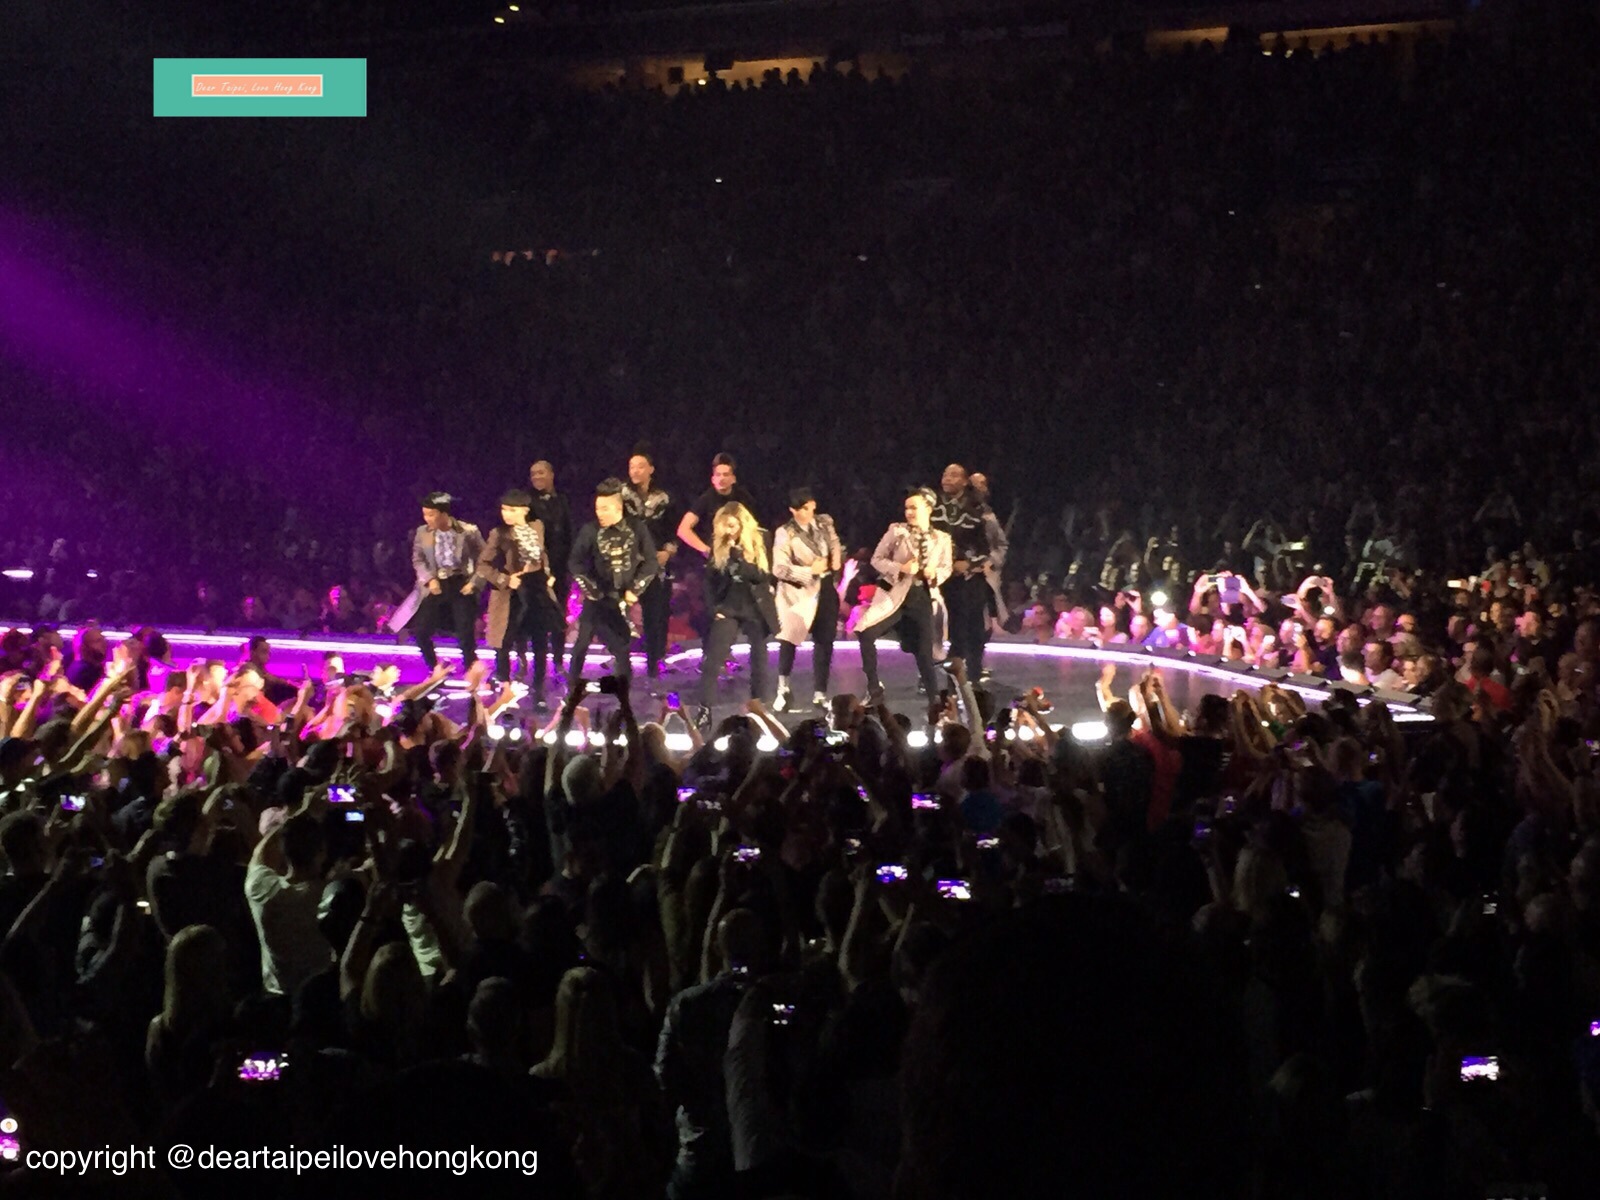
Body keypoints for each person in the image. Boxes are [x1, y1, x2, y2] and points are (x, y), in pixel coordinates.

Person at [853, 488, 953, 700]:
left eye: (914, 508)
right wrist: (900, 568)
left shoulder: (941, 538)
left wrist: (934, 573)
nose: (909, 512)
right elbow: (877, 559)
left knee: (924, 652)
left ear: (928, 509)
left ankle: (934, 699)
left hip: (922, 597)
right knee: (866, 631)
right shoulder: (897, 531)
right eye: (907, 508)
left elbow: (946, 568)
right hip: (894, 596)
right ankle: (873, 687)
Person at [696, 503, 778, 730]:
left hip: (756, 607)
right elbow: (709, 580)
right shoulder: (719, 544)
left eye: (732, 525)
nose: (728, 531)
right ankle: (704, 709)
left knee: (759, 659)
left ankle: (759, 706)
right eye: (724, 526)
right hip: (729, 606)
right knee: (714, 659)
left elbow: (762, 575)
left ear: (743, 523)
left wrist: (739, 558)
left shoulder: (761, 538)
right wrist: (714, 608)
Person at [569, 478, 658, 685]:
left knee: (622, 643)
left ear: (618, 508)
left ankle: (625, 683)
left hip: (624, 596)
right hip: (597, 595)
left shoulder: (636, 528)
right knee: (582, 641)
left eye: (605, 509)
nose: (599, 513)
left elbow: (651, 561)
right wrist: (590, 589)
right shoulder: (590, 530)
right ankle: (572, 683)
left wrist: (636, 589)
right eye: (597, 509)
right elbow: (575, 562)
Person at [477, 489, 561, 705]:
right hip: (512, 592)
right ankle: (505, 687)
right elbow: (483, 565)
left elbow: (542, 553)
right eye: (504, 509)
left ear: (524, 510)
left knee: (540, 640)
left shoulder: (537, 526)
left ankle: (539, 689)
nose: (506, 514)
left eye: (512, 510)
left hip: (536, 588)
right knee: (504, 641)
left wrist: (548, 573)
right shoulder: (499, 533)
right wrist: (504, 579)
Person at [931, 463, 1007, 681]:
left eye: (954, 475)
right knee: (937, 626)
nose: (947, 479)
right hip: (938, 576)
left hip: (971, 576)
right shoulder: (933, 508)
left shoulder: (980, 511)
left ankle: (971, 674)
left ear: (965, 482)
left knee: (973, 628)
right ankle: (933, 673)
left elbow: (993, 545)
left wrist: (973, 564)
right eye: (945, 474)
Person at [393, 492, 485, 672]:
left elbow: (484, 559)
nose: (427, 518)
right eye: (425, 514)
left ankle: (471, 671)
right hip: (435, 583)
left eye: (431, 514)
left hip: (461, 582)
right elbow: (418, 560)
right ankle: (435, 668)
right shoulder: (422, 532)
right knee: (421, 631)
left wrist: (474, 582)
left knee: (465, 634)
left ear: (444, 513)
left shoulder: (468, 531)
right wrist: (429, 579)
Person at [770, 487, 843, 712]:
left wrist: (836, 559)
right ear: (792, 510)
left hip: (825, 587)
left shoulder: (824, 522)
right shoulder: (785, 532)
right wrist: (809, 570)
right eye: (798, 509)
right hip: (797, 592)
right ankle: (783, 688)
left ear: (813, 505)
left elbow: (834, 542)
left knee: (825, 640)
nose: (803, 513)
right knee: (789, 640)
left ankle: (820, 693)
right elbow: (779, 568)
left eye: (807, 507)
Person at [622, 443, 680, 688]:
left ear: (651, 469)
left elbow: (675, 530)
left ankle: (655, 663)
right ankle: (622, 663)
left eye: (640, 466)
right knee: (621, 613)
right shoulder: (621, 495)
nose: (635, 471)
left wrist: (668, 551)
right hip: (628, 564)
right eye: (632, 467)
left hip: (656, 564)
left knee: (656, 615)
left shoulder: (665, 498)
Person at [529, 460, 574, 683]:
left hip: (559, 568)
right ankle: (533, 663)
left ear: (551, 474)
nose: (537, 477)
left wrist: (569, 568)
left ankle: (557, 660)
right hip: (534, 569)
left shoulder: (563, 501)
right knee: (534, 617)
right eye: (533, 474)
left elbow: (569, 534)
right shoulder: (527, 502)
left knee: (558, 616)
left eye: (541, 473)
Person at [675, 453, 759, 560]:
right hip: (714, 555)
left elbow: (753, 525)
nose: (721, 478)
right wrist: (705, 550)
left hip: (740, 553)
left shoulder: (743, 497)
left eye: (726, 475)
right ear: (713, 479)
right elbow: (683, 529)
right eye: (718, 475)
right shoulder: (705, 499)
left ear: (733, 479)